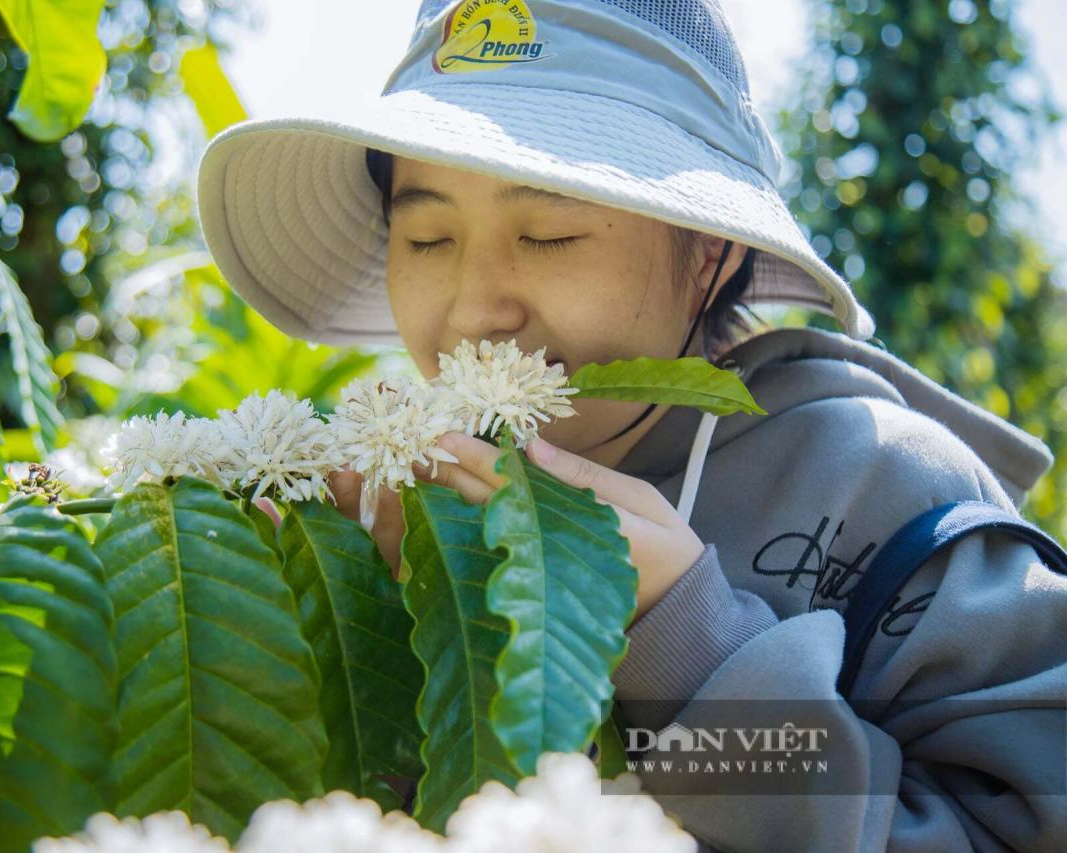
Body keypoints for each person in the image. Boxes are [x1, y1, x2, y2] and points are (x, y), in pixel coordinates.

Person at [195, 1, 1067, 849]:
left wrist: (691, 655)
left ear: (709, 252)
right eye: (426, 238)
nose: (474, 309)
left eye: (548, 235)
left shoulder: (885, 484)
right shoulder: (396, 494)